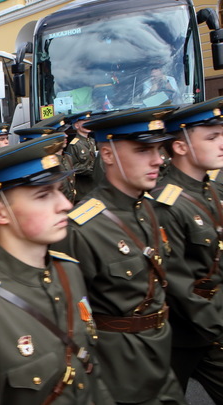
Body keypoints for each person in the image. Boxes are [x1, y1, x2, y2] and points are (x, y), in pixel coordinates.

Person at [0, 134, 112, 404]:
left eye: (58, 190)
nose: (65, 205)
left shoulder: (68, 272)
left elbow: (88, 372)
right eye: (43, 195)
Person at [54, 106, 187, 404]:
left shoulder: (149, 208)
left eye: (157, 149)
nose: (158, 159)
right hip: (118, 371)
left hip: (160, 355)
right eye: (143, 150)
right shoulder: (82, 227)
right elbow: (70, 314)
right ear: (109, 154)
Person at [151, 97, 223, 402]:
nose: (222, 143)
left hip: (209, 331)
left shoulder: (211, 190)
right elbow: (176, 284)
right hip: (179, 336)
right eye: (212, 137)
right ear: (180, 147)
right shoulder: (165, 204)